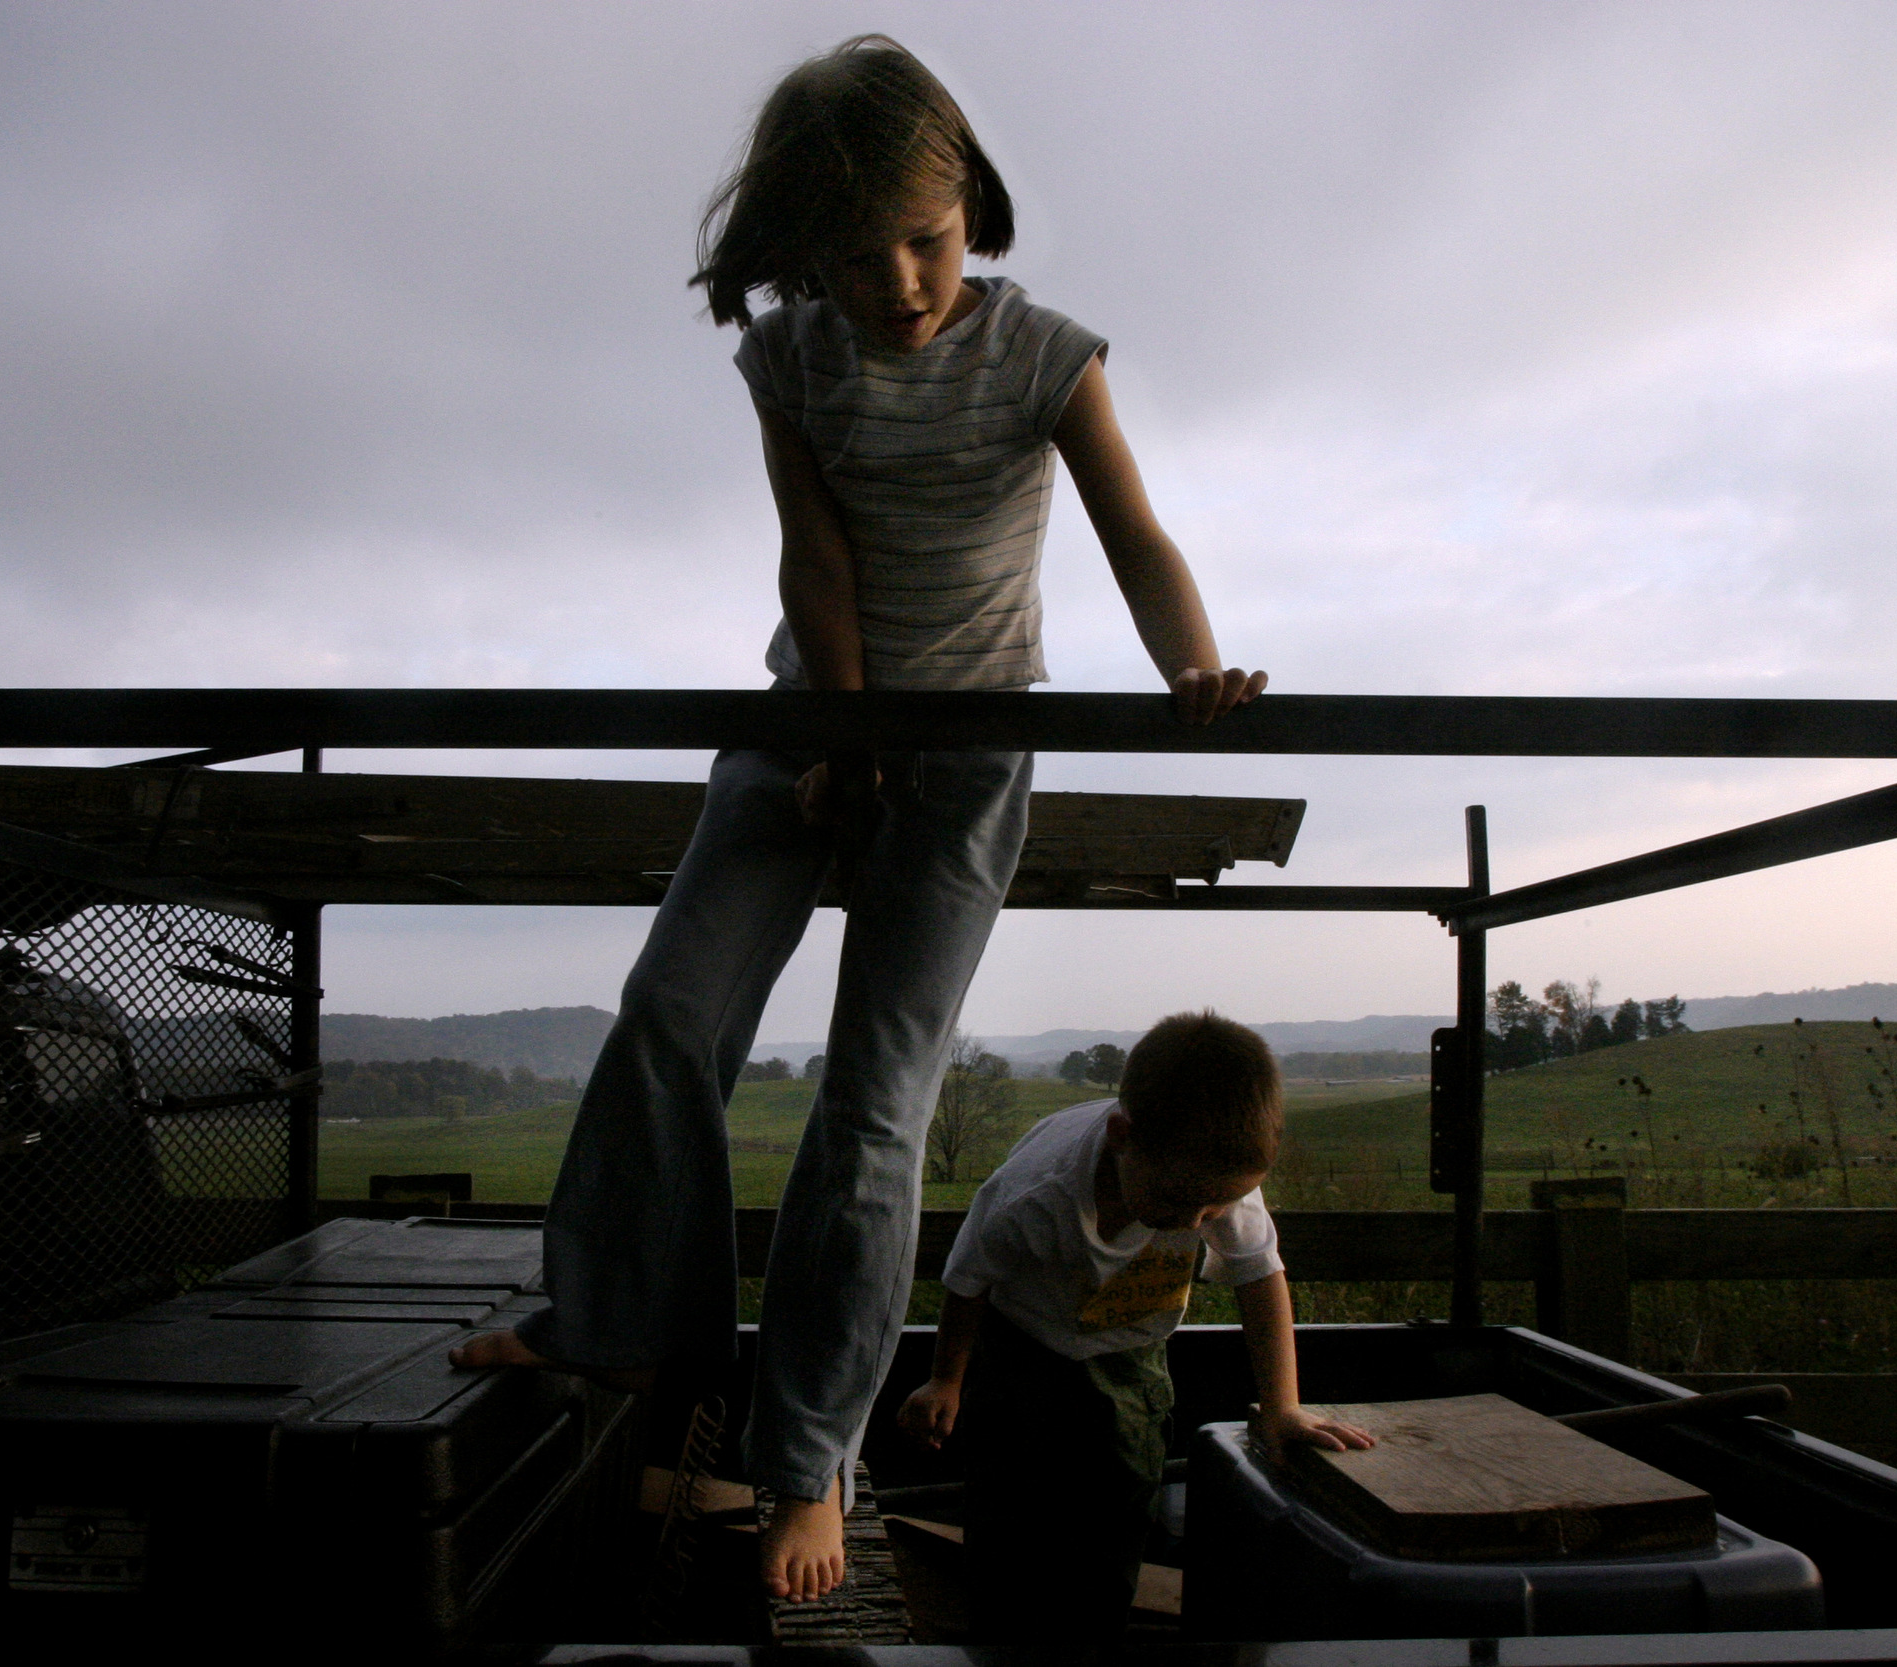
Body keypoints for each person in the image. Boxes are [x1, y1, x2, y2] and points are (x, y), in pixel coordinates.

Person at [451, 36, 1270, 1603]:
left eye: (927, 239)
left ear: (974, 203)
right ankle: (625, 1326)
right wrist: (834, 733)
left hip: (968, 752)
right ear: (794, 253)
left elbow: (1133, 530)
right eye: (853, 253)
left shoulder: (1044, 356)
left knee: (875, 1101)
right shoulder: (793, 362)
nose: (898, 279)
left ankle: (806, 1449)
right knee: (669, 1007)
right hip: (808, 722)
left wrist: (1193, 666)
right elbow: (812, 560)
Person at [898, 1012, 1374, 1640]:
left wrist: (1282, 1407)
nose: (1194, 1221)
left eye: (1215, 1207)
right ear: (1122, 1136)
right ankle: (999, 1634)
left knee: (1120, 1497)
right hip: (1022, 1347)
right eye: (1179, 1203)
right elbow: (968, 1281)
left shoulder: (1211, 1177)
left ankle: (1096, 1634)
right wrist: (945, 1382)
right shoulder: (1033, 1195)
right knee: (1011, 1502)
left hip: (1132, 1354)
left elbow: (1261, 1279)